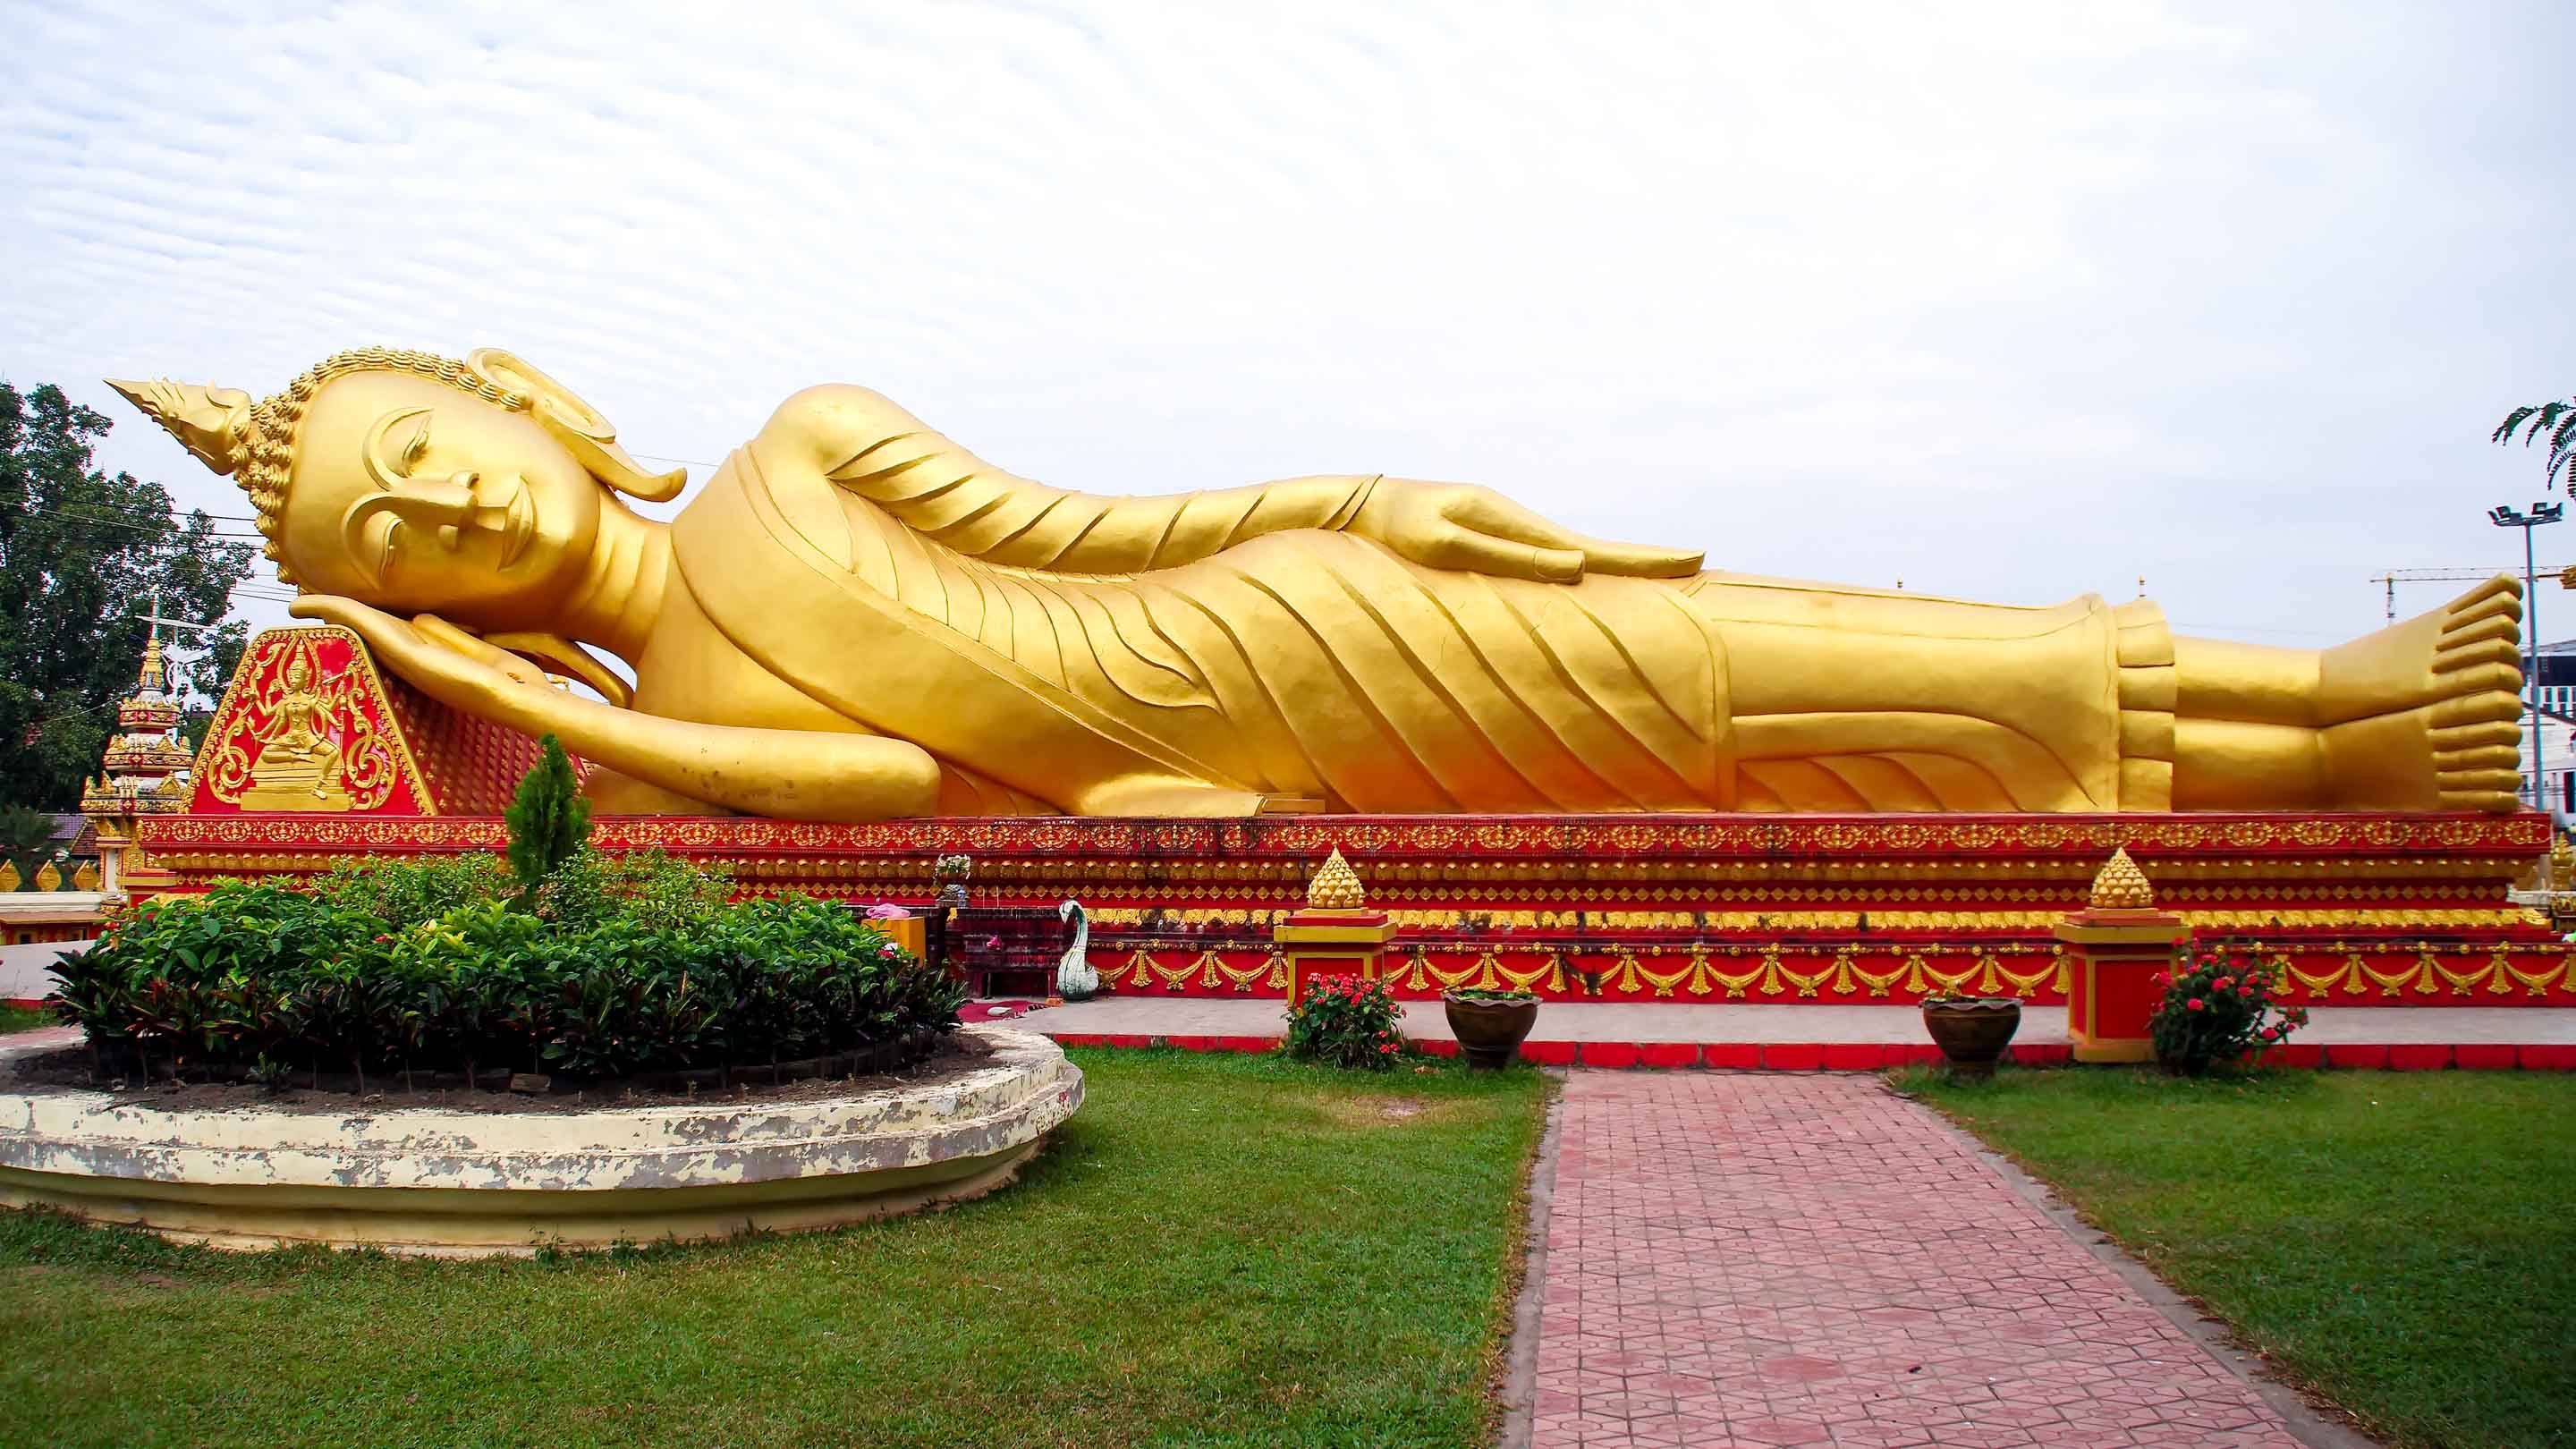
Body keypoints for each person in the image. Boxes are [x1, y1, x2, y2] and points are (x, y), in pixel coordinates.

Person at [111, 349, 2524, 820]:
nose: (445, 513)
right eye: (397, 549)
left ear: (520, 393)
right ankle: (2314, 777)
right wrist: (553, 708)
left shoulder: (798, 440)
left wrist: (1379, 494)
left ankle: (2316, 691)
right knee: (1720, 755)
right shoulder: (700, 697)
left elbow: (1091, 529)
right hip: (1237, 763)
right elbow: (877, 773)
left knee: (1731, 639)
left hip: (1291, 609)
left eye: (430, 455)